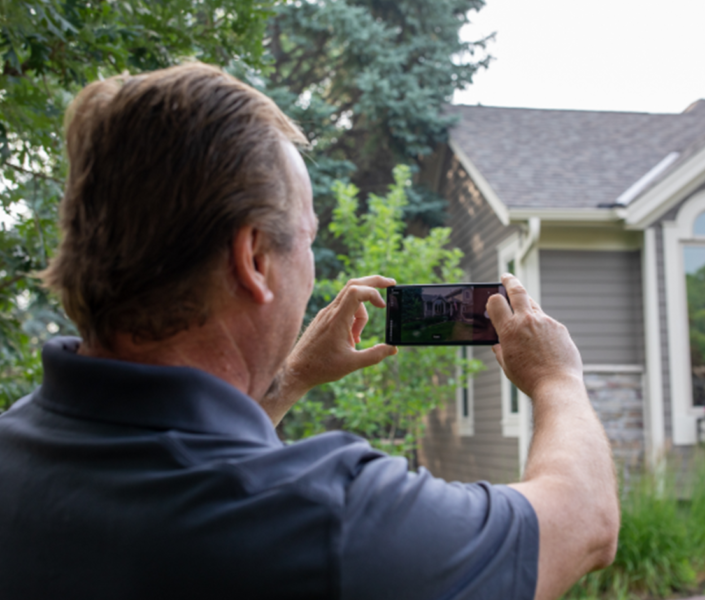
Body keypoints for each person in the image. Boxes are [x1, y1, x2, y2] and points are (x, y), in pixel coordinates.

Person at [0, 63, 618, 599]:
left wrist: (291, 376)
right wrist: (556, 377)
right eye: (308, 240)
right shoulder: (328, 517)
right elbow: (585, 522)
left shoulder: (17, 446)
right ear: (255, 259)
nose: (314, 265)